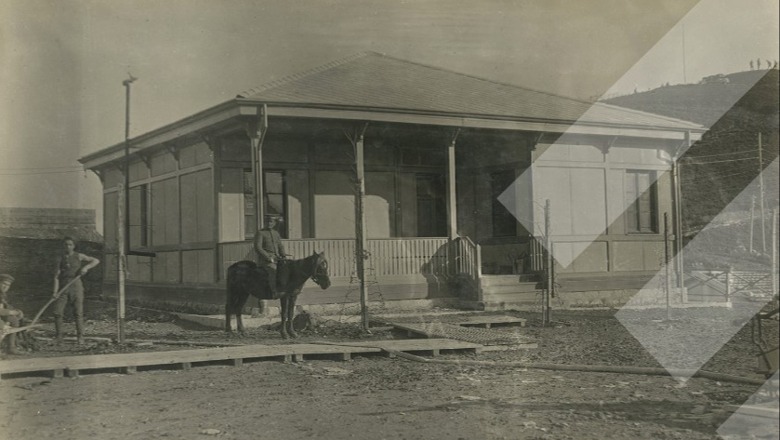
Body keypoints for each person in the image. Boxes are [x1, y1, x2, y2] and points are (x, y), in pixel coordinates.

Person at [52, 237, 100, 344]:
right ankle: (59, 337)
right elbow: (56, 276)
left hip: (76, 285)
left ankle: (80, 337)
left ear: (74, 246)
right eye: (66, 245)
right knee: (57, 312)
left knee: (78, 312)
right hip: (63, 286)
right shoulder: (60, 258)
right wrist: (55, 292)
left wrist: (86, 268)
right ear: (63, 246)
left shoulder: (79, 256)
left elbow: (96, 260)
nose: (68, 247)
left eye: (70, 244)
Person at [253, 214, 289, 299]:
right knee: (273, 270)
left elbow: (280, 245)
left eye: (271, 222)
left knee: (287, 269)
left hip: (277, 259)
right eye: (267, 222)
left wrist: (283, 255)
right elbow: (258, 247)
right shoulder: (261, 233)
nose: (269, 223)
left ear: (274, 223)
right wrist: (269, 258)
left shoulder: (276, 233)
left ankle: (286, 290)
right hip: (265, 261)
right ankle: (273, 292)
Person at [0, 274, 24, 355]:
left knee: (14, 320)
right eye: (4, 284)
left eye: (8, 285)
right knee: (3, 324)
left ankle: (11, 347)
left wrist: (16, 311)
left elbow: (5, 305)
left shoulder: (2, 294)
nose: (5, 287)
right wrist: (11, 312)